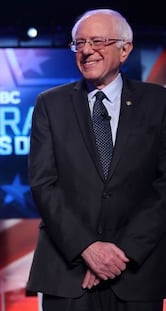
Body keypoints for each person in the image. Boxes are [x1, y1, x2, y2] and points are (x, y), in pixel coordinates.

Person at [27, 8, 166, 311]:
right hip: (68, 272)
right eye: (79, 43)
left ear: (125, 49)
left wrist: (122, 252)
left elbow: (164, 186)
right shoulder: (50, 105)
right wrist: (86, 247)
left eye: (98, 41)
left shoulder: (158, 103)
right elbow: (43, 184)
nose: (87, 50)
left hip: (136, 272)